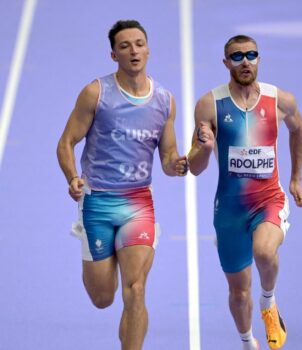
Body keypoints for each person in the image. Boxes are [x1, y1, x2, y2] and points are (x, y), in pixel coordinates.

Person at [57, 19, 187, 350]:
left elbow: (169, 158)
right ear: (113, 54)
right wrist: (73, 177)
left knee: (137, 289)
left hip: (138, 203)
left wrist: (179, 164)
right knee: (102, 298)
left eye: (139, 43)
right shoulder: (96, 93)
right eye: (125, 45)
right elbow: (66, 142)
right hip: (97, 202)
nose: (134, 50)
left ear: (148, 49)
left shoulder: (164, 101)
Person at [188, 35, 302, 350]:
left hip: (269, 200)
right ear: (226, 62)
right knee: (239, 293)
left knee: (265, 252)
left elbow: (299, 129)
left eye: (251, 55)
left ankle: (268, 303)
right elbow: (195, 166)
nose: (245, 61)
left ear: (258, 59)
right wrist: (205, 147)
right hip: (229, 211)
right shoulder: (209, 104)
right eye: (237, 56)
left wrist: (295, 178)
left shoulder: (279, 99)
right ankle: (246, 341)